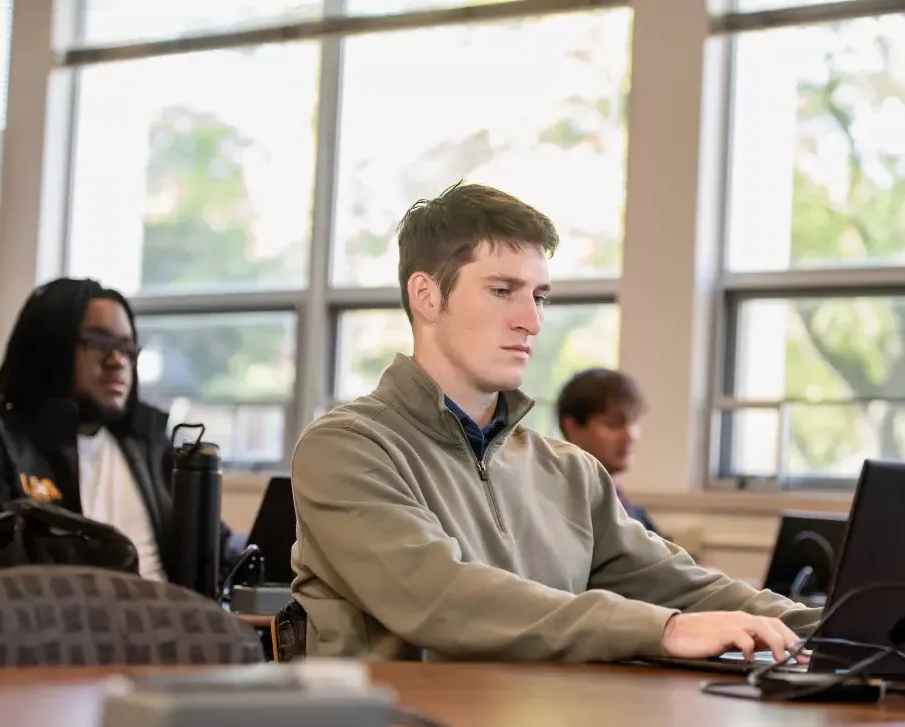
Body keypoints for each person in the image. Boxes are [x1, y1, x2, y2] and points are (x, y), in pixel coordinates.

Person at [290, 182, 821, 663]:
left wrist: (840, 630)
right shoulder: (345, 449)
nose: (531, 320)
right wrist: (667, 630)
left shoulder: (570, 472)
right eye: (503, 291)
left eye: (538, 296)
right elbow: (440, 597)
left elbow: (683, 586)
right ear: (426, 295)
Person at [0, 277, 237, 581]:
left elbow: (221, 557)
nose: (117, 361)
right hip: (62, 623)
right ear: (50, 349)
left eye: (126, 348)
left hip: (175, 621)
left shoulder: (151, 447)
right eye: (98, 343)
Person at [556, 368, 660, 535]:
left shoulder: (632, 511)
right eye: (613, 424)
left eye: (633, 422)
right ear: (572, 427)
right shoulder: (562, 509)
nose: (630, 436)